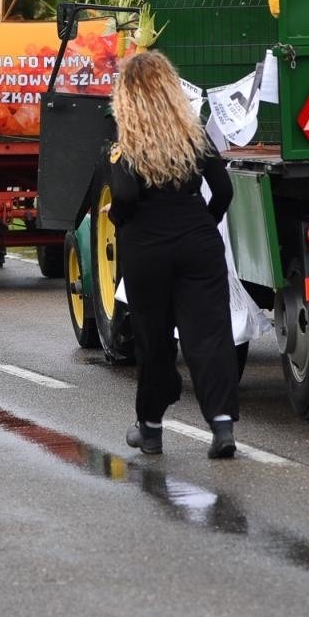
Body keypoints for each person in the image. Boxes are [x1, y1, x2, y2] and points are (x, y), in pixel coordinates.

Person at [107, 50, 241, 459]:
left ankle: (150, 428)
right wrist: (201, 222)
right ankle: (221, 425)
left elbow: (126, 196)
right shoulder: (193, 135)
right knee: (210, 333)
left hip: (146, 248)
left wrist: (119, 217)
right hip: (197, 243)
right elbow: (224, 191)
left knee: (154, 337)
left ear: (127, 96)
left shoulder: (125, 142)